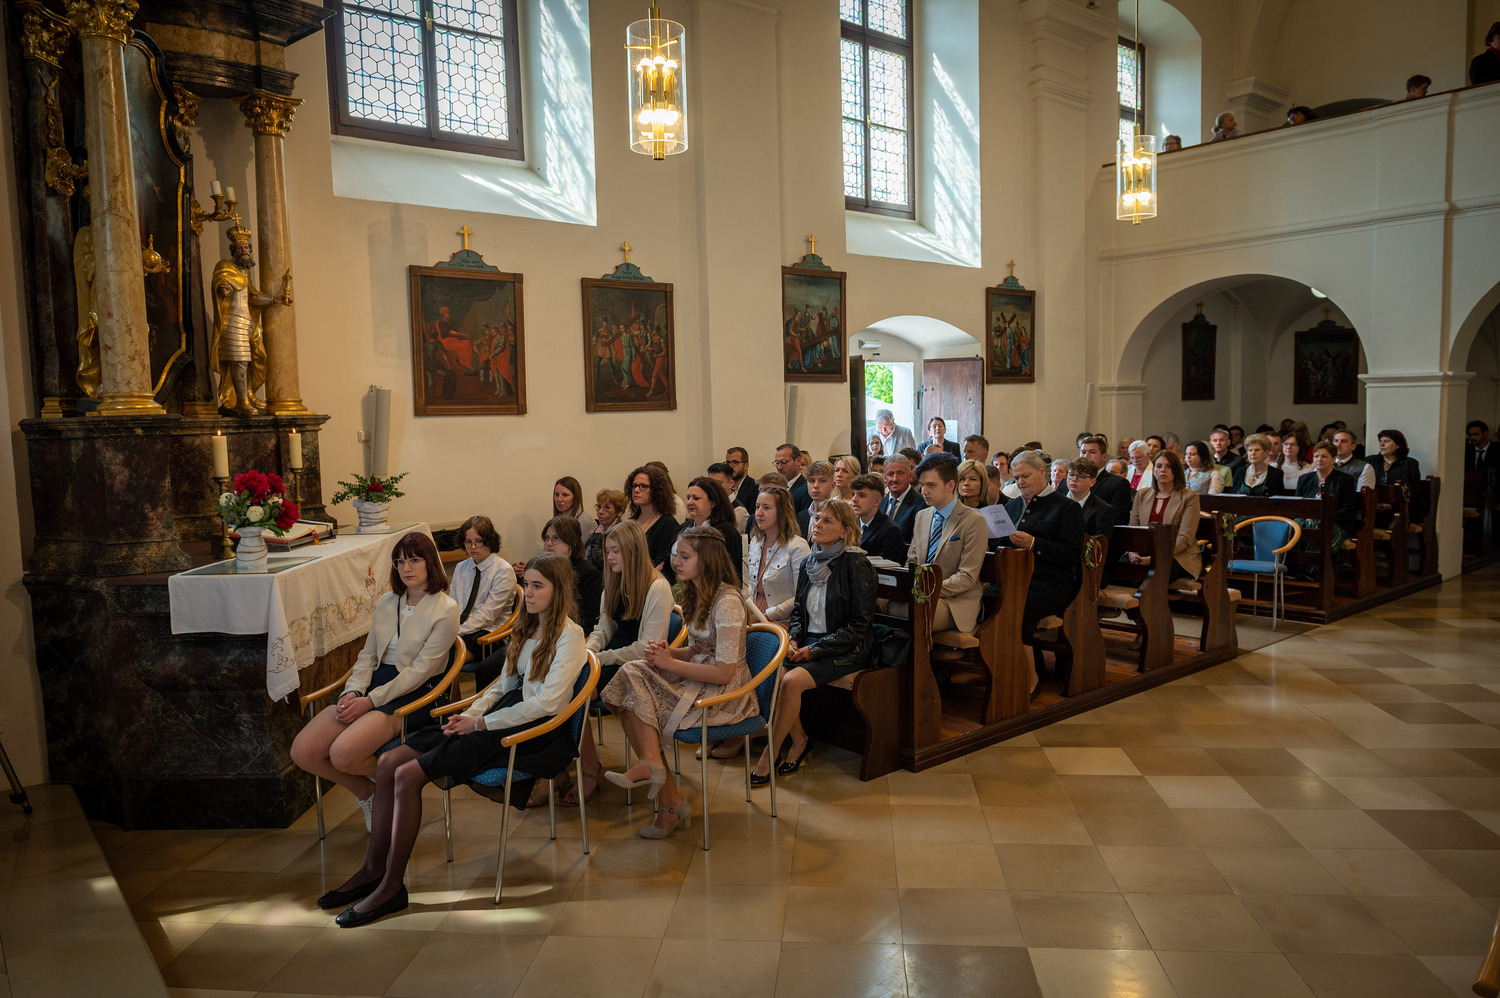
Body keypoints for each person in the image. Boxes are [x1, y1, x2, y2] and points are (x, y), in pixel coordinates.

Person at [317, 554, 584, 926]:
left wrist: (482, 724)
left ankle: (391, 887)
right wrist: (471, 716)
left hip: (530, 732)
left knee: (407, 774)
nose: (529, 592)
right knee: (388, 762)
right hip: (496, 719)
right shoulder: (528, 627)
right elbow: (501, 686)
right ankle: (372, 869)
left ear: (559, 591)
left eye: (539, 586)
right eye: (528, 584)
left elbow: (547, 703)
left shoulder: (570, 635)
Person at [290, 532, 460, 834]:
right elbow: (368, 655)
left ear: (430, 562)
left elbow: (420, 671)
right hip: (373, 685)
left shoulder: (445, 608)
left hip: (415, 693)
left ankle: (389, 786)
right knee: (303, 751)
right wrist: (354, 690)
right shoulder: (387, 601)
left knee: (343, 754)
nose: (406, 568)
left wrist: (371, 701)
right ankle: (369, 792)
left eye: (414, 560)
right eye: (399, 562)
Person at [601, 527, 756, 838]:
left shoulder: (727, 601)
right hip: (700, 678)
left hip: (725, 695)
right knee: (631, 677)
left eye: (685, 557)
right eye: (677, 556)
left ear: (707, 560)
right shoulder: (698, 593)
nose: (676, 563)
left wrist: (670, 663)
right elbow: (699, 650)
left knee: (634, 698)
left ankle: (667, 797)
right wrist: (669, 653)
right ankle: (657, 775)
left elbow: (724, 672)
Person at [750, 500, 876, 786]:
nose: (817, 524)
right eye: (817, 518)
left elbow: (859, 627)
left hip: (846, 649)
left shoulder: (857, 565)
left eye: (827, 521)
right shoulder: (810, 561)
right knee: (774, 674)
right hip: (810, 643)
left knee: (790, 681)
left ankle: (769, 755)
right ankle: (800, 740)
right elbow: (799, 612)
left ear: (845, 531)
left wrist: (815, 650)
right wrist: (794, 639)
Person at [580, 520, 673, 792]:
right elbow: (603, 629)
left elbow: (645, 649)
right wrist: (588, 651)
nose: (609, 558)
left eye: (615, 551)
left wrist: (600, 659)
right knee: (563, 686)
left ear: (633, 552)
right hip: (611, 658)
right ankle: (583, 768)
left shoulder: (657, 587)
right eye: (607, 551)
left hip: (638, 665)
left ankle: (589, 771)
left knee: (573, 693)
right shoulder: (614, 582)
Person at [1002, 452, 1085, 692]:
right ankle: (1005, 672)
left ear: (1042, 472)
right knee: (990, 602)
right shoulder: (1012, 506)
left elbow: (1071, 553)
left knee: (1018, 609)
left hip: (1050, 583)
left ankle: (1030, 679)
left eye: (1025, 476)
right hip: (1013, 578)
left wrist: (1034, 544)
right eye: (1016, 478)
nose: (1020, 482)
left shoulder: (1066, 507)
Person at [907, 453, 988, 633]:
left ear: (950, 485)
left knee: (911, 611)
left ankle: (913, 653)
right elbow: (912, 561)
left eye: (931, 485)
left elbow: (967, 577)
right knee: (879, 604)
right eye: (922, 485)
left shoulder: (973, 520)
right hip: (923, 595)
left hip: (956, 603)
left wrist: (927, 590)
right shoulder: (922, 516)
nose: (924, 492)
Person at [448, 515, 517, 663]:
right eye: (468, 542)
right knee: (427, 649)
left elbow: (488, 615)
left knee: (444, 658)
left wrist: (456, 632)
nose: (473, 547)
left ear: (489, 541)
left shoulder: (503, 570)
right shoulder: (461, 567)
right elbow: (452, 605)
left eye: (478, 541)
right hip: (460, 629)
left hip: (489, 634)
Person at [1128, 451, 1202, 581]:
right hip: (1146, 551)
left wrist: (1156, 557)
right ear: (1153, 470)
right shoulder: (1142, 494)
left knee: (1153, 572)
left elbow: (1184, 538)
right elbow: (1133, 530)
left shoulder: (1189, 496)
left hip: (1177, 555)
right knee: (1122, 567)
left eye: (1168, 466)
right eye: (1159, 466)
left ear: (1176, 471)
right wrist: (1132, 553)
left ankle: (1145, 595)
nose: (1163, 470)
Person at [743, 484, 811, 622]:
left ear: (782, 512)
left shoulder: (797, 546)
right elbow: (750, 585)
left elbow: (801, 595)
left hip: (783, 620)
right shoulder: (756, 542)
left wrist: (767, 616)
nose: (759, 513)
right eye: (757, 507)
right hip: (754, 615)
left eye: (766, 508)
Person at [673, 476, 743, 584]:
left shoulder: (726, 531)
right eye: (688, 498)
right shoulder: (683, 528)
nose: (690, 502)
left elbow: (730, 571)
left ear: (713, 502)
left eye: (696, 498)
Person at [1297, 440, 1359, 544]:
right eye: (1316, 456)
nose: (1319, 459)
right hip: (1307, 521)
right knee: (1293, 526)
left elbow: (1348, 509)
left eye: (1324, 456)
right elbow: (1298, 505)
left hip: (1336, 523)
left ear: (1333, 459)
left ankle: (1315, 554)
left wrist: (1323, 517)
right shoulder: (1304, 479)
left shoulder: (1345, 480)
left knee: (1317, 526)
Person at [625, 464, 679, 573]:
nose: (636, 490)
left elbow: (663, 564)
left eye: (643, 486)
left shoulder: (667, 524)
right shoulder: (631, 522)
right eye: (634, 485)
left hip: (653, 579)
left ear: (656, 491)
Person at [1373, 429, 1428, 521]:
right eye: (1380, 441)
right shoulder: (1371, 461)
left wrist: (1391, 506)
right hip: (1373, 508)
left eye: (1386, 441)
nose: (1381, 444)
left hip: (1400, 510)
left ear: (1398, 445)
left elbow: (1414, 493)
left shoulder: (1409, 464)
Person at [849, 472, 905, 562]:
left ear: (877, 501)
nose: (854, 499)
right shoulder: (849, 524)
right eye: (853, 494)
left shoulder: (890, 531)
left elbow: (885, 568)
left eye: (861, 495)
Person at [879, 454, 927, 542]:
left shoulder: (921, 504)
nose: (895, 479)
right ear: (885, 478)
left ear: (910, 476)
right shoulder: (881, 503)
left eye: (900, 473)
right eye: (890, 474)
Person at [1064, 459, 1116, 540]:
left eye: (1081, 476)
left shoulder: (1103, 510)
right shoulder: (1055, 502)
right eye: (1071, 474)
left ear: (1092, 482)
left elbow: (1099, 544)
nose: (1074, 479)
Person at [586, 489, 627, 573]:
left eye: (607, 508)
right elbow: (589, 558)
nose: (600, 512)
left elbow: (605, 563)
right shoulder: (599, 529)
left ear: (620, 512)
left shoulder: (621, 533)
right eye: (599, 506)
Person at [796, 461, 837, 536]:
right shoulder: (802, 516)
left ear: (832, 485)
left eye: (822, 481)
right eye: (812, 481)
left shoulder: (838, 513)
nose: (815, 486)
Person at [707, 461, 749, 533]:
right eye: (710, 484)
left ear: (730, 484)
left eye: (718, 483)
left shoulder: (738, 511)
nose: (713, 487)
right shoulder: (709, 505)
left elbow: (726, 535)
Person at [774, 443, 811, 512]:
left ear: (798, 461)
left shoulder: (806, 489)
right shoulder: (774, 487)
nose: (779, 467)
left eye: (784, 462)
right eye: (777, 463)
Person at [725, 446, 758, 510]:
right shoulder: (725, 487)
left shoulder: (754, 487)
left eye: (735, 462)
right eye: (728, 462)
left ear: (746, 466)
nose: (730, 466)